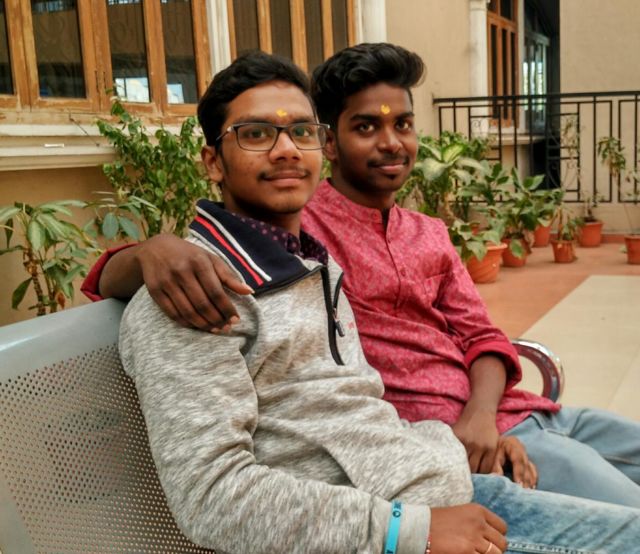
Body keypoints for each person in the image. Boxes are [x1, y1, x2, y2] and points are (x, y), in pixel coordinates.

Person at [117, 49, 640, 554]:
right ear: (213, 161)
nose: (286, 150)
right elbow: (213, 496)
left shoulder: (315, 262)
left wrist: (469, 436)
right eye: (256, 134)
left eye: (301, 132)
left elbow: (375, 400)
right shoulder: (199, 291)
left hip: (460, 464)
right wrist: (146, 252)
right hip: (408, 522)